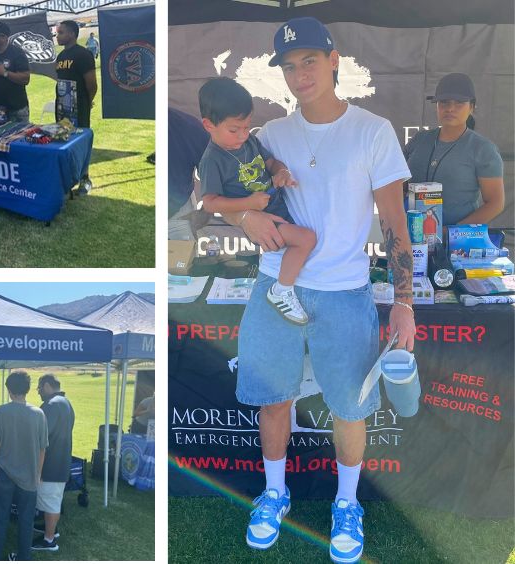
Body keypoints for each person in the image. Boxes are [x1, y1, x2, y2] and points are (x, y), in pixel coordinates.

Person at [225, 18, 415, 563]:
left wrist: (404, 302)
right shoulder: (269, 136)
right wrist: (244, 221)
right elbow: (228, 196)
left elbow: (395, 222)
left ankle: (347, 503)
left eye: (309, 60)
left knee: (350, 407)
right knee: (272, 400)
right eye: (289, 65)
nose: (299, 74)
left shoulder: (373, 130)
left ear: (334, 61)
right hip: (274, 285)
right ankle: (274, 493)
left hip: (344, 291)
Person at [197, 77, 316, 325]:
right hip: (262, 220)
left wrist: (282, 172)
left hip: (278, 207)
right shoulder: (212, 160)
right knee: (306, 239)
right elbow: (209, 203)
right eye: (234, 130)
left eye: (247, 126)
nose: (243, 135)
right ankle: (281, 291)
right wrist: (248, 205)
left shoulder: (250, 140)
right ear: (208, 125)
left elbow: (270, 162)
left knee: (308, 238)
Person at [403, 72, 505, 225]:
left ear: (472, 107)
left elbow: (495, 203)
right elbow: (396, 185)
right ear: (437, 106)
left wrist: (452, 232)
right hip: (411, 233)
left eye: (459, 103)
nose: (450, 108)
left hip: (458, 239)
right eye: (444, 102)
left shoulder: (483, 149)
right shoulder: (419, 140)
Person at [0, 371, 48, 561]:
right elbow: (42, 449)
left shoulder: (0, 412)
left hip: (5, 473)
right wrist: (38, 473)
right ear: (27, 389)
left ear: (9, 390)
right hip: (29, 476)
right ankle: (24, 557)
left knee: (0, 518)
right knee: (26, 521)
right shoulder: (39, 414)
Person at [31, 374, 74, 553]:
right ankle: (51, 528)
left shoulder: (51, 405)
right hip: (61, 460)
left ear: (47, 385)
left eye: (39, 388)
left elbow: (41, 435)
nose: (38, 392)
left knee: (51, 502)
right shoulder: (66, 402)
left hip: (51, 463)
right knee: (52, 499)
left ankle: (49, 540)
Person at [54, 20, 98, 196]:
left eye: (61, 32)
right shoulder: (61, 56)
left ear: (72, 34)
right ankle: (69, 176)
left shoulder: (83, 54)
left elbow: (92, 85)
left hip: (79, 108)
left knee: (81, 141)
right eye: (57, 33)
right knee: (64, 140)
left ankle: (85, 178)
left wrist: (86, 102)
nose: (57, 36)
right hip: (62, 108)